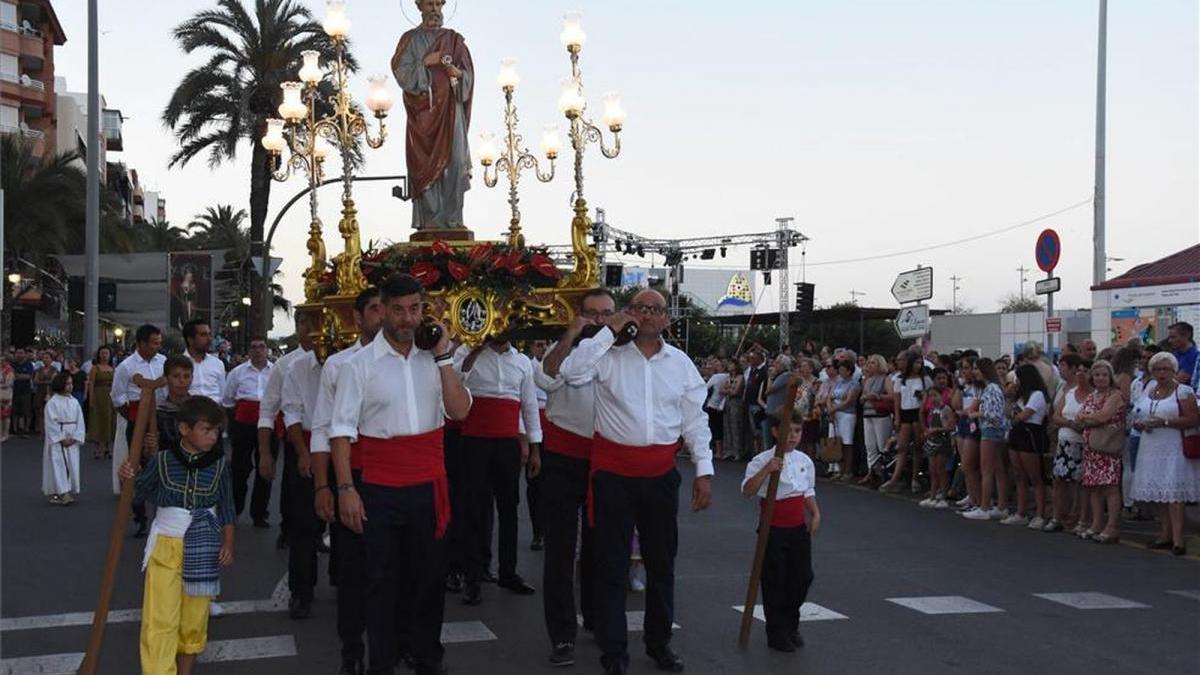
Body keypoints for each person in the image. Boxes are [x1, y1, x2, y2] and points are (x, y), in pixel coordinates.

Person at [559, 288, 713, 675]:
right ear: (629, 313)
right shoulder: (606, 355)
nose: (648, 315)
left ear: (666, 319)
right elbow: (572, 373)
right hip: (613, 475)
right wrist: (608, 331)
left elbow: (695, 421)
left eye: (656, 309)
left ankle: (659, 643)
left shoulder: (680, 364)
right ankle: (613, 651)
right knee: (611, 566)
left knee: (662, 563)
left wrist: (704, 470)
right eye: (640, 308)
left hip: (660, 475)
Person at [330, 273, 471, 675]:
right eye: (398, 310)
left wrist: (444, 356)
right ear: (384, 311)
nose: (407, 319)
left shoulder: (436, 358)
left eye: (414, 309)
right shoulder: (359, 365)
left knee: (429, 578)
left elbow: (459, 411)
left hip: (429, 486)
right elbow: (341, 431)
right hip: (379, 488)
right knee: (381, 584)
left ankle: (428, 657)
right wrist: (345, 489)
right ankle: (383, 664)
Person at [119, 396, 235, 675]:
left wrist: (228, 542)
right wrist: (128, 477)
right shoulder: (162, 462)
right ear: (184, 429)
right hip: (165, 547)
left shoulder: (220, 466)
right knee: (160, 619)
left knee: (193, 621)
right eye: (206, 430)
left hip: (204, 546)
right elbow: (138, 494)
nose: (212, 437)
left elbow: (227, 508)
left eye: (216, 431)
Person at [535, 288, 614, 666]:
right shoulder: (561, 348)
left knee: (602, 548)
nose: (599, 321)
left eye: (606, 314)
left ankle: (597, 618)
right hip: (563, 458)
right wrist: (570, 334)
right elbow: (547, 377)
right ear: (579, 315)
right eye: (591, 314)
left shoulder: (619, 351)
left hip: (605, 460)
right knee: (561, 551)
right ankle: (562, 634)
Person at [308, 286, 383, 675]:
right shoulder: (339, 365)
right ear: (358, 318)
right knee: (354, 571)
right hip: (350, 473)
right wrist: (326, 486)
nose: (381, 316)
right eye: (373, 309)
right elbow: (322, 427)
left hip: (396, 478)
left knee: (397, 570)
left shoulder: (417, 360)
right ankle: (351, 649)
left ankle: (394, 645)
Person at [454, 333, 542, 605]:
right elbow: (455, 381)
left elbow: (528, 406)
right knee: (473, 510)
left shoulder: (522, 362)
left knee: (508, 509)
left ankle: (508, 572)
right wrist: (476, 350)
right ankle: (472, 576)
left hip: (507, 443)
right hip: (474, 441)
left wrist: (533, 446)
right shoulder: (469, 352)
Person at [390, 0, 474, 230]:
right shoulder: (410, 39)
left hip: (450, 112)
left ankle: (453, 220)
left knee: (455, 162)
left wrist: (455, 72)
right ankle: (430, 222)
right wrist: (426, 62)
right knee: (425, 166)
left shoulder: (454, 40)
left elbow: (468, 78)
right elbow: (401, 73)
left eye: (438, 3)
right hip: (423, 116)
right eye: (430, 4)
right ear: (420, 7)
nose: (435, 9)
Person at [741, 411, 819, 653]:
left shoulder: (805, 460)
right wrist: (767, 469)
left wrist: (815, 513)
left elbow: (806, 490)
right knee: (775, 582)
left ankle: (791, 624)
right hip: (773, 529)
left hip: (797, 528)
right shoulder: (762, 459)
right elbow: (748, 490)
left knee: (802, 577)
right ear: (775, 432)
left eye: (797, 431)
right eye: (788, 431)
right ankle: (776, 633)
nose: (793, 436)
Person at [1130, 352, 1200, 556]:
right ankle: (1165, 535)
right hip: (1150, 445)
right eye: (1157, 369)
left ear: (1173, 371)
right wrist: (1139, 424)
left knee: (1173, 495)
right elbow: (1138, 412)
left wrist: (1165, 422)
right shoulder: (1149, 390)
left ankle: (1178, 539)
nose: (1161, 373)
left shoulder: (1183, 391)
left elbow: (1192, 419)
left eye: (1165, 369)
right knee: (1159, 494)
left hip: (1173, 447)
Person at [281, 314, 326, 620]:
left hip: (347, 447)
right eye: (308, 326)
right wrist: (302, 452)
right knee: (304, 525)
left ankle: (347, 581)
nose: (314, 332)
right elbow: (292, 413)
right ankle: (301, 591)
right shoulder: (296, 367)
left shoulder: (355, 362)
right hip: (308, 444)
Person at [258, 330, 314, 548]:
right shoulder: (287, 364)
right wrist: (265, 453)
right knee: (295, 493)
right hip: (298, 437)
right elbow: (268, 409)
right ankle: (289, 529)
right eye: (305, 322)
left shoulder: (343, 359)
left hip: (337, 442)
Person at [111, 324, 167, 538]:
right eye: (154, 343)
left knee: (163, 465)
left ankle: (164, 516)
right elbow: (117, 397)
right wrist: (136, 419)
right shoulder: (126, 366)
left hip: (162, 417)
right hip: (137, 418)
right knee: (138, 468)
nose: (157, 346)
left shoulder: (163, 362)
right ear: (142, 343)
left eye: (159, 342)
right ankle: (140, 517)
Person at [221, 338, 273, 527]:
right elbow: (228, 401)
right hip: (244, 425)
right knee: (239, 469)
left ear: (267, 350)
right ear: (248, 351)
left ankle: (259, 514)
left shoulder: (276, 372)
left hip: (268, 426)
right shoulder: (237, 373)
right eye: (254, 347)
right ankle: (234, 509)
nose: (258, 350)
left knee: (266, 470)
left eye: (261, 347)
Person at [1077, 360, 1126, 543]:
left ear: (1110, 376)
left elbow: (1103, 417)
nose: (1100, 378)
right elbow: (1079, 417)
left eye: (1104, 375)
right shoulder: (1092, 396)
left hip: (1108, 448)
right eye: (1097, 375)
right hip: (1091, 449)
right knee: (1093, 487)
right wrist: (1090, 419)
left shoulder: (1115, 395)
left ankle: (1112, 526)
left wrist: (1088, 418)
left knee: (1110, 487)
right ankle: (1096, 523)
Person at [1047, 355, 1091, 533]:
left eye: (1085, 371)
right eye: (1079, 371)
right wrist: (1069, 423)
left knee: (1080, 483)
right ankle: (1058, 516)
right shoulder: (1070, 393)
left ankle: (1081, 518)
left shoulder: (1093, 396)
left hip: (1084, 443)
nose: (1082, 374)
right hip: (1065, 441)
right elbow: (1056, 415)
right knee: (1059, 480)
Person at [963, 358, 1011, 520]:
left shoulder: (991, 389)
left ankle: (984, 507)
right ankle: (1001, 506)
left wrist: (977, 414)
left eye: (976, 369)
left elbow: (994, 414)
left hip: (990, 431)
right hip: (995, 431)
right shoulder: (992, 388)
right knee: (997, 470)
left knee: (987, 470)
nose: (974, 372)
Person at [1005, 364, 1049, 528]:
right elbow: (1008, 413)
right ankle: (1020, 512)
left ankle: (1040, 514)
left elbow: (1022, 416)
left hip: (1030, 433)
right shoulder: (1019, 396)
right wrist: (1010, 397)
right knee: (1019, 475)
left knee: (1035, 476)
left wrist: (1014, 415)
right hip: (1017, 433)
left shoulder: (1037, 394)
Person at [881, 352, 931, 494]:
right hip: (905, 413)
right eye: (915, 362)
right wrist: (897, 417)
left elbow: (929, 396)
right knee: (902, 447)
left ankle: (915, 478)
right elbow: (897, 400)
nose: (918, 365)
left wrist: (923, 398)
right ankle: (895, 478)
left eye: (920, 363)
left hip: (918, 412)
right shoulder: (900, 379)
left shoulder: (924, 379)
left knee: (917, 446)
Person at [42, 374, 85, 505]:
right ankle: (62, 492)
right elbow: (50, 422)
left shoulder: (74, 401)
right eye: (67, 384)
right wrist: (61, 438)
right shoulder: (52, 402)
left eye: (71, 383)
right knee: (59, 463)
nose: (70, 386)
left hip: (72, 435)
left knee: (71, 463)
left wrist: (76, 436)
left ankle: (66, 489)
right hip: (59, 436)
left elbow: (80, 420)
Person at [919, 369, 955, 509]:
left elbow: (950, 427)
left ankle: (943, 496)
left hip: (942, 440)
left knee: (941, 470)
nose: (933, 398)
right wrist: (927, 431)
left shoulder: (946, 409)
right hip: (932, 439)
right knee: (932, 470)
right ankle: (933, 495)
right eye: (930, 396)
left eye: (935, 395)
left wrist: (937, 430)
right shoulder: (933, 409)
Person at [953, 356, 984, 514]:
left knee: (969, 464)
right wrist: (960, 386)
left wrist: (965, 412)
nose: (965, 371)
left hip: (974, 424)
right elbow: (955, 405)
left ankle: (979, 500)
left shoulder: (979, 388)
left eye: (967, 368)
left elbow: (972, 408)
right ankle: (971, 496)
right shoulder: (965, 386)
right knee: (965, 465)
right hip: (963, 423)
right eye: (963, 368)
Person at [860, 354, 894, 484]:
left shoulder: (885, 378)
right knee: (870, 446)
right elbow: (863, 396)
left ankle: (884, 473)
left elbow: (891, 396)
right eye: (869, 363)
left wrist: (877, 396)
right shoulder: (867, 380)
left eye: (873, 363)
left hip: (880, 415)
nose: (870, 365)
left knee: (882, 445)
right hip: (868, 414)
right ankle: (871, 472)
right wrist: (864, 397)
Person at [826, 359, 859, 481]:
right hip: (836, 414)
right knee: (838, 442)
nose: (840, 372)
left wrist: (834, 409)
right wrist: (830, 409)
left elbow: (849, 400)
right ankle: (840, 469)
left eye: (842, 369)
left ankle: (848, 470)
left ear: (849, 371)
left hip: (847, 414)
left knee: (847, 442)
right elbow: (830, 396)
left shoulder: (854, 384)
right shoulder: (838, 383)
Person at [183, 319, 227, 408]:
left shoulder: (217, 363)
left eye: (209, 334)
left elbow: (222, 393)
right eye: (203, 335)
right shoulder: (179, 364)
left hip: (214, 412)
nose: (209, 339)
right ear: (190, 339)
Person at [86, 346, 117, 460]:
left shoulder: (112, 369)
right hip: (99, 395)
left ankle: (108, 448)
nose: (104, 355)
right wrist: (91, 399)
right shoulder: (95, 368)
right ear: (99, 355)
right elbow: (91, 383)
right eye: (102, 353)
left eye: (107, 353)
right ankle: (97, 448)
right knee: (98, 420)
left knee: (109, 420)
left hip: (110, 397)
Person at [704, 357, 730, 461]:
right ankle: (721, 450)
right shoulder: (728, 376)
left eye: (718, 365)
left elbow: (706, 387)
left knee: (714, 428)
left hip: (713, 404)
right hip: (721, 404)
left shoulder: (717, 376)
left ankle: (718, 451)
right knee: (719, 428)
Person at [720, 359, 746, 461]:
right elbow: (721, 389)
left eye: (731, 364)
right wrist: (729, 389)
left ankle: (737, 451)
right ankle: (728, 450)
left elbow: (736, 391)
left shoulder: (740, 377)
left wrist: (728, 389)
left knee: (735, 427)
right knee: (727, 426)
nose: (729, 366)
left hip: (736, 403)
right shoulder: (728, 377)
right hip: (727, 402)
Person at [11, 347, 35, 437]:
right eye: (18, 353)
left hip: (26, 391)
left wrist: (17, 375)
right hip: (15, 390)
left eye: (21, 353)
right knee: (15, 411)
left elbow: (29, 376)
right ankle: (15, 429)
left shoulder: (28, 364)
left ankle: (26, 429)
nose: (19, 354)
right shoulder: (13, 364)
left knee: (26, 410)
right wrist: (20, 376)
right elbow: (11, 375)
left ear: (25, 354)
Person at [32, 352, 58, 435]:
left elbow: (53, 380)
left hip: (50, 392)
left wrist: (42, 381)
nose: (45, 359)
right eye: (44, 358)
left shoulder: (54, 369)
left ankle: (50, 429)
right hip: (40, 392)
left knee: (50, 411)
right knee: (39, 410)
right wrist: (46, 381)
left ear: (51, 359)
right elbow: (35, 380)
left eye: (47, 358)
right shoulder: (39, 369)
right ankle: (40, 429)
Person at [0, 355, 13, 442]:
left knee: (5, 415)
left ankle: (6, 434)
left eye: (2, 360)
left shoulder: (10, 371)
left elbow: (8, 384)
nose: (1, 362)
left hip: (6, 394)